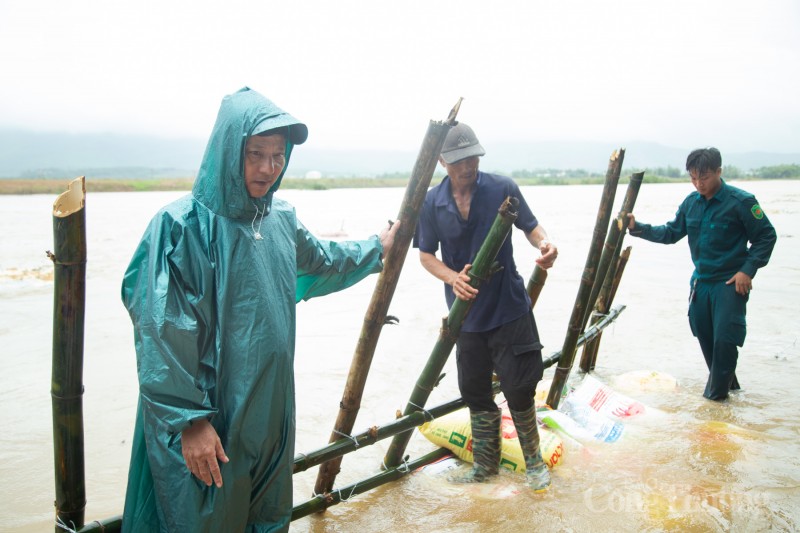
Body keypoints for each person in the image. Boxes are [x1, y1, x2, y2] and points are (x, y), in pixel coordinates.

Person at [120, 87, 399, 532]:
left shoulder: (279, 219)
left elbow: (323, 260)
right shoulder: (179, 227)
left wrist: (375, 247)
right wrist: (189, 422)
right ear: (229, 151)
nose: (269, 168)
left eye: (278, 155)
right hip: (210, 422)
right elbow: (159, 328)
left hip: (270, 415)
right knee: (201, 521)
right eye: (255, 154)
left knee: (267, 520)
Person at [415, 122, 558, 491]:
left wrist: (545, 245)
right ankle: (485, 468)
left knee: (520, 387)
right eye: (460, 159)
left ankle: (535, 465)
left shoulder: (502, 188)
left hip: (508, 308)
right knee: (476, 392)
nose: (469, 166)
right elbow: (426, 255)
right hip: (467, 315)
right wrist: (452, 278)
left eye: (474, 157)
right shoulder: (432, 201)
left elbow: (532, 227)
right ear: (444, 161)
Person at [627, 147, 776, 401]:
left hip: (729, 284)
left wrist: (747, 270)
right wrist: (637, 227)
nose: (698, 184)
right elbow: (671, 233)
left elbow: (766, 236)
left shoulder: (741, 202)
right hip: (701, 285)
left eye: (704, 178)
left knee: (725, 343)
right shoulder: (690, 203)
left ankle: (713, 406)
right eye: (693, 178)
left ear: (719, 171)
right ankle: (733, 396)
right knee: (708, 342)